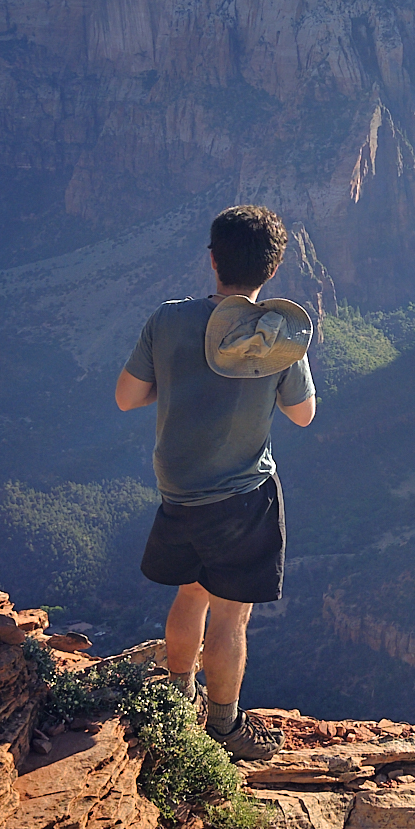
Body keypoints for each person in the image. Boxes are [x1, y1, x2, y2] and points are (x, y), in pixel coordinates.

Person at [115, 205, 318, 760]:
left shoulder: (168, 319)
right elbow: (303, 415)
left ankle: (176, 709)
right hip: (242, 497)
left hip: (178, 490)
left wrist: (176, 383)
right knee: (231, 614)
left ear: (212, 260)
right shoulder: (279, 336)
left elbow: (127, 397)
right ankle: (224, 730)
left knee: (191, 594)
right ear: (272, 271)